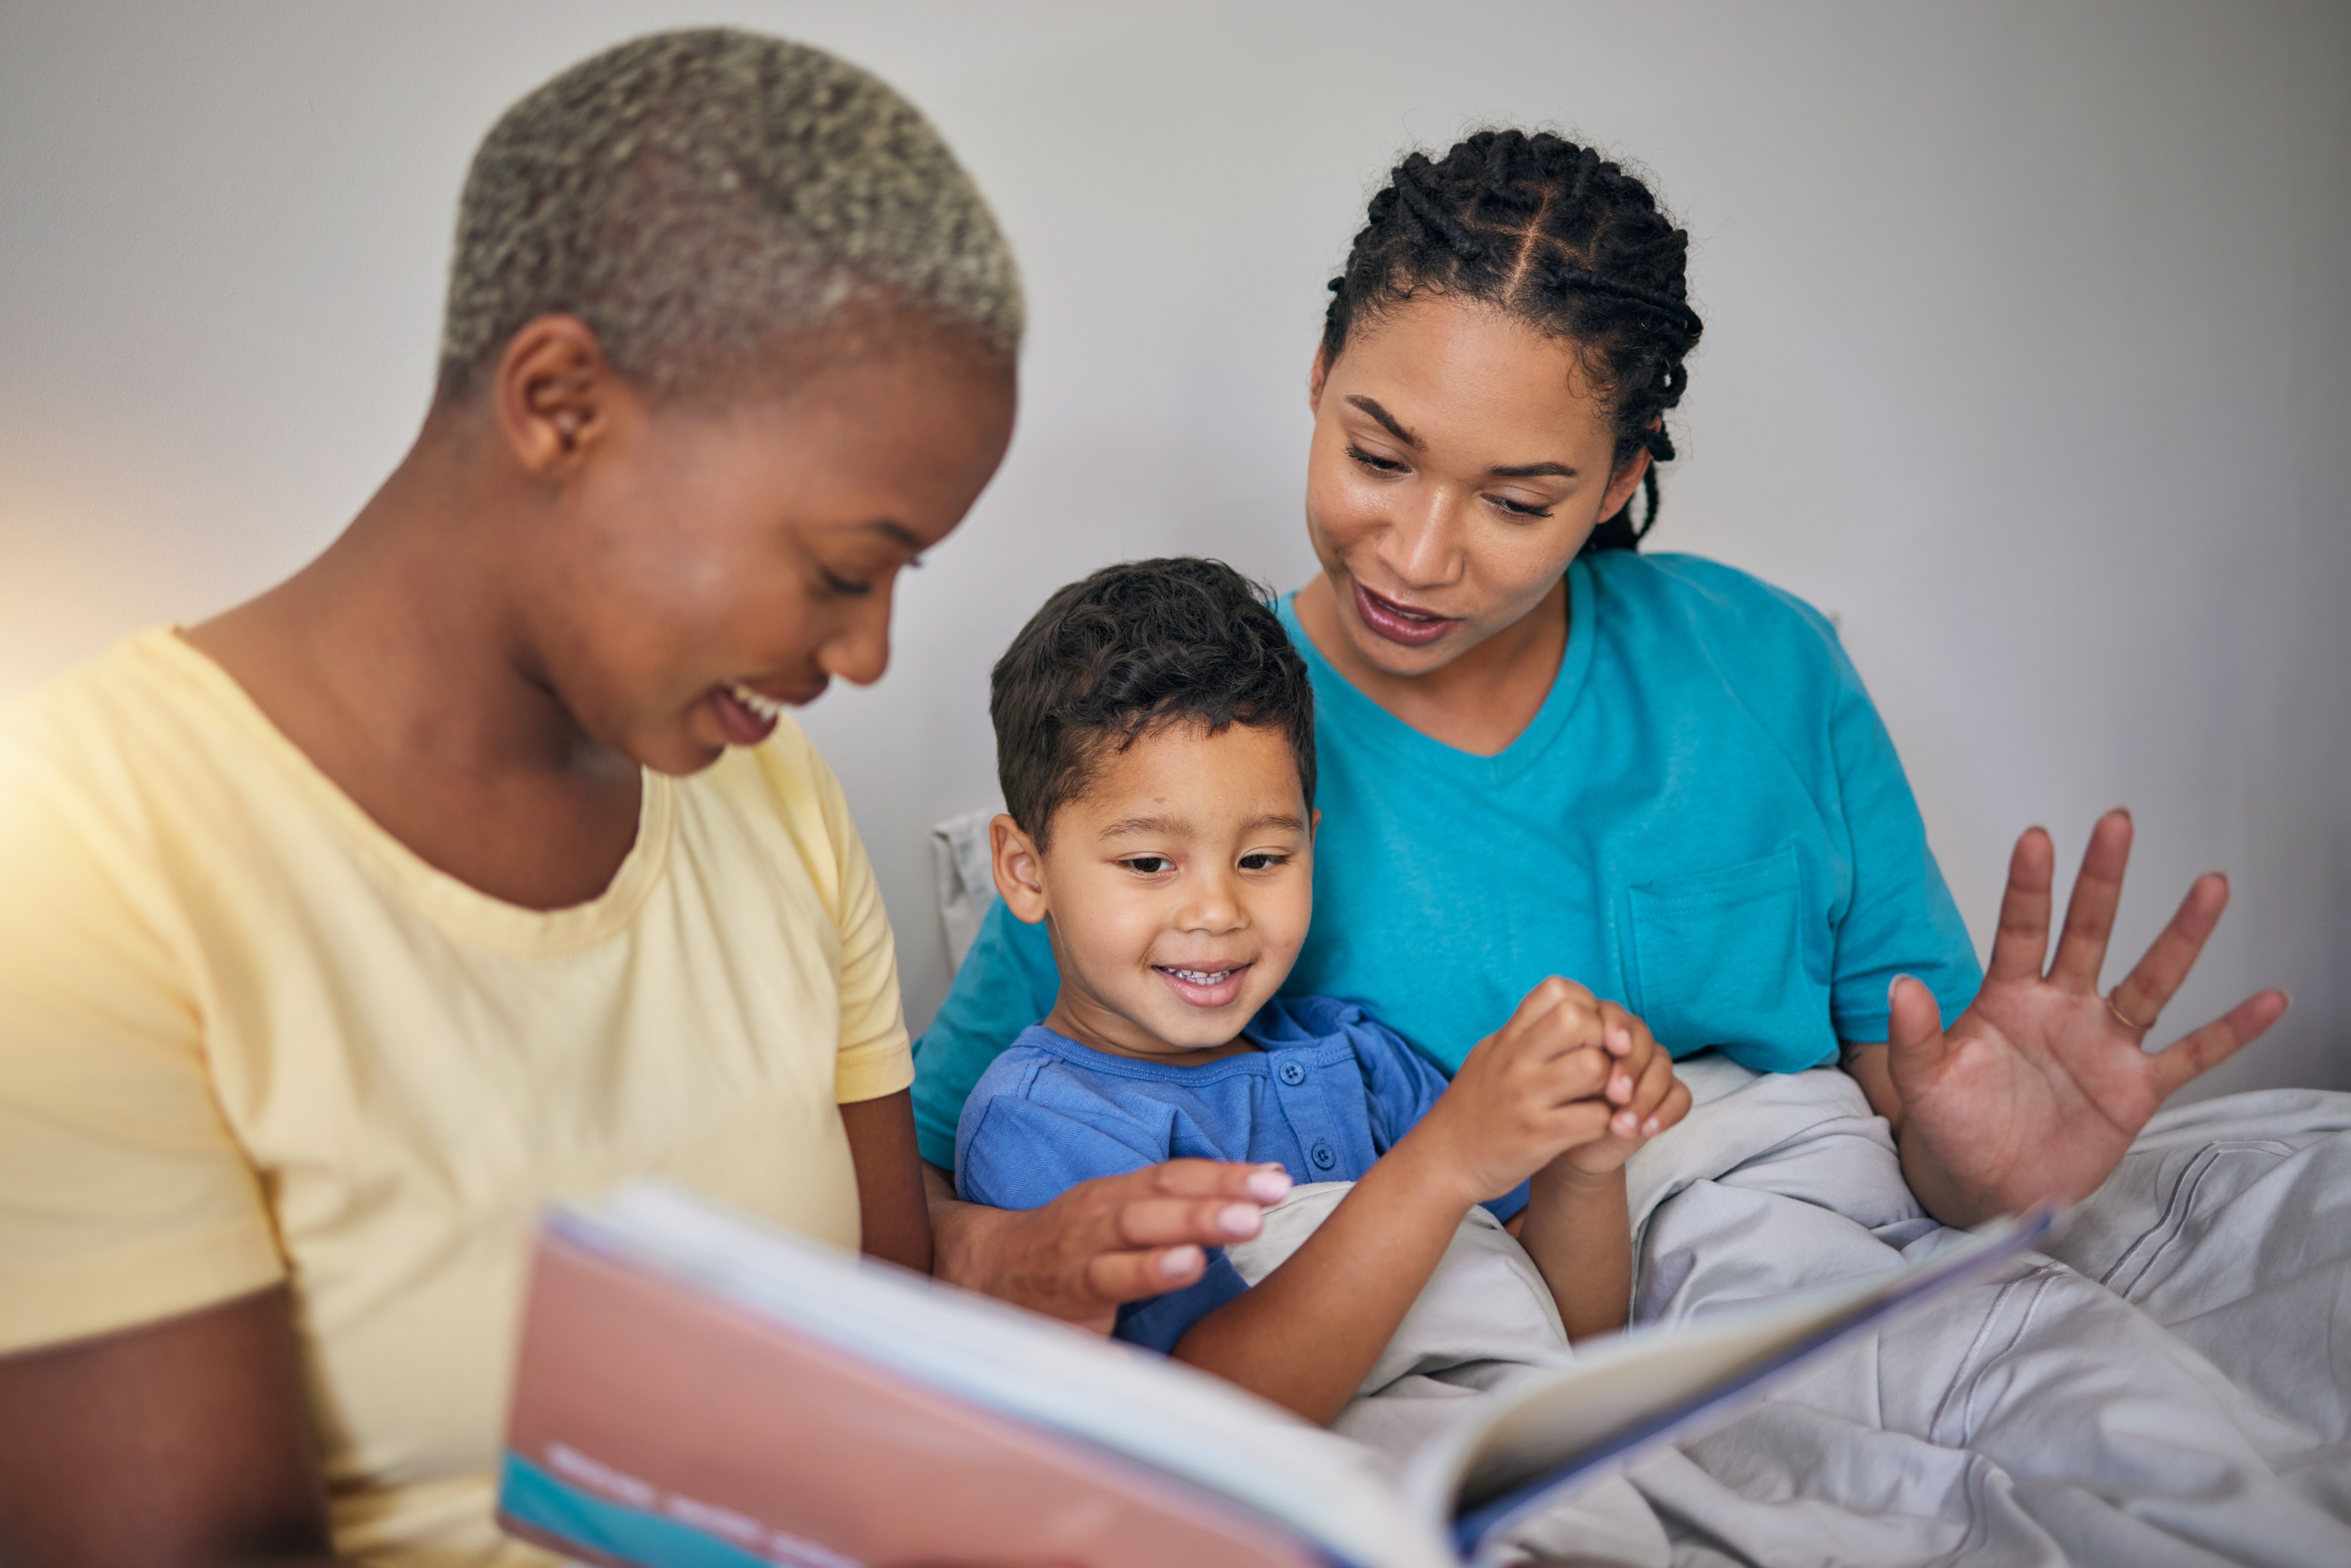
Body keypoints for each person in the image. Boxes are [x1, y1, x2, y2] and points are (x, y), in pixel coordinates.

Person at [0, 30, 1267, 1568]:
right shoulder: (85, 860)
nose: (864, 655)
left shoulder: (765, 789)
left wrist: (1008, 1277)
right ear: (559, 402)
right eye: (838, 568)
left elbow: (864, 1321)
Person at [915, 129, 2296, 1304]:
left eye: (1517, 503)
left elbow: (1916, 1116)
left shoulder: (1766, 662)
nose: (1415, 553)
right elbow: (934, 1192)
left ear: (1619, 477)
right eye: (1376, 456)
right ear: (1320, 374)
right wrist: (1019, 1262)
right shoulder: (1187, 736)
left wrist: (1983, 1171)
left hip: (1814, 1277)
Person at [951, 557, 1690, 1422]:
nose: (1219, 911)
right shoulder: (1042, 1125)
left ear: (1313, 840)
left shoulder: (1356, 1055)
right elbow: (1217, 1419)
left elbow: (1564, 1336)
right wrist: (1442, 1160)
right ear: (1023, 868)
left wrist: (1585, 1170)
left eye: (1264, 858)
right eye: (1150, 863)